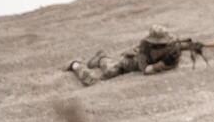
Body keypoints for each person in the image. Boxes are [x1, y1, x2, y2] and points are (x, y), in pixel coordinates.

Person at [66, 25, 196, 86]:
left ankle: (102, 58)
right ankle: (78, 64)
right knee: (97, 79)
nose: (164, 45)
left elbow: (183, 46)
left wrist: (189, 48)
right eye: (160, 44)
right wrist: (163, 64)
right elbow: (145, 70)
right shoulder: (144, 49)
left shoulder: (172, 44)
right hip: (127, 65)